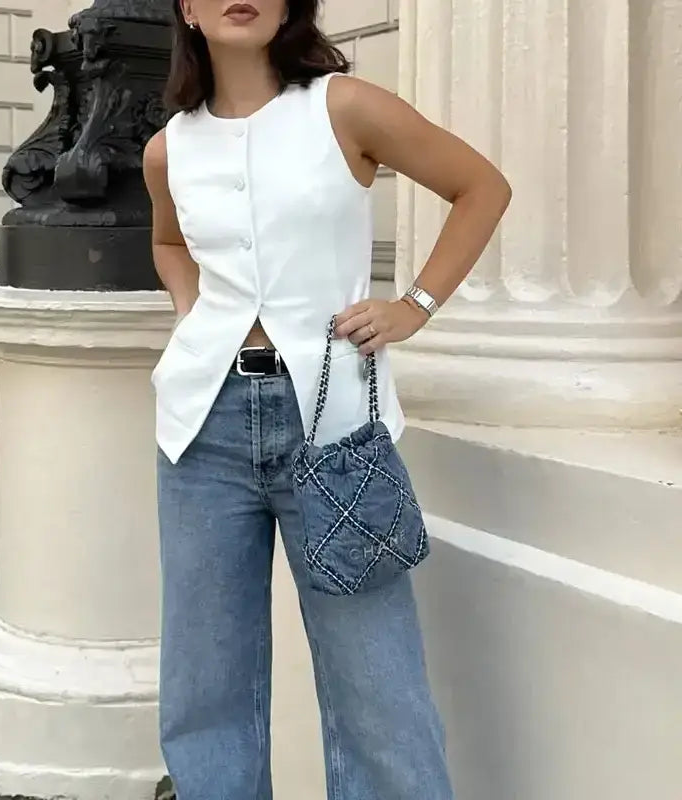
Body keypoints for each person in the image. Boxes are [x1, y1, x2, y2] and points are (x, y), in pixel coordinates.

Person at [142, 0, 511, 797]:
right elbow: (170, 243)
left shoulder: (344, 107)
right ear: (188, 12)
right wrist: (192, 315)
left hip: (333, 429)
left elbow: (481, 186)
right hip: (201, 430)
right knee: (206, 677)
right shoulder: (168, 148)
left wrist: (415, 304)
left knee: (377, 683)